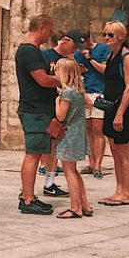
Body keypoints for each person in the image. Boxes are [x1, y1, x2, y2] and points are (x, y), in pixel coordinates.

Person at [15, 15, 61, 215]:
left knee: (36, 153)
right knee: (33, 155)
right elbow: (42, 80)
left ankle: (28, 194)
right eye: (50, 29)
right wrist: (62, 80)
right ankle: (28, 199)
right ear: (42, 28)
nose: (51, 33)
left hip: (37, 109)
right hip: (35, 110)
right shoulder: (30, 52)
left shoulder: (30, 51)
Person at [89, 21, 129, 207]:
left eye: (110, 35)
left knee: (124, 151)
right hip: (110, 107)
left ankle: (126, 192)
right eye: (105, 34)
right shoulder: (112, 56)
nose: (106, 38)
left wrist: (120, 114)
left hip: (122, 110)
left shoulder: (127, 58)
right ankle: (119, 190)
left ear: (120, 36)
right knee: (116, 151)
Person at [39, 32, 78, 196]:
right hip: (49, 106)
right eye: (74, 46)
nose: (75, 50)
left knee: (54, 147)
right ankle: (35, 185)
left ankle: (50, 183)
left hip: (62, 106)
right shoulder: (46, 56)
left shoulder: (71, 60)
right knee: (47, 147)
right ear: (65, 42)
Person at [54, 59, 91, 219]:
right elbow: (88, 104)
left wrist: (57, 101)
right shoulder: (78, 91)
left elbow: (60, 116)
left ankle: (75, 207)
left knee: (69, 171)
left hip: (68, 135)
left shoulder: (67, 93)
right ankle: (85, 204)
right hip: (78, 133)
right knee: (74, 171)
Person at [74, 30, 110, 180]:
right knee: (87, 129)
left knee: (98, 129)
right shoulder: (77, 55)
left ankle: (98, 166)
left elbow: (105, 70)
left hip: (99, 93)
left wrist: (90, 60)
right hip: (85, 92)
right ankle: (91, 162)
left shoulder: (102, 49)